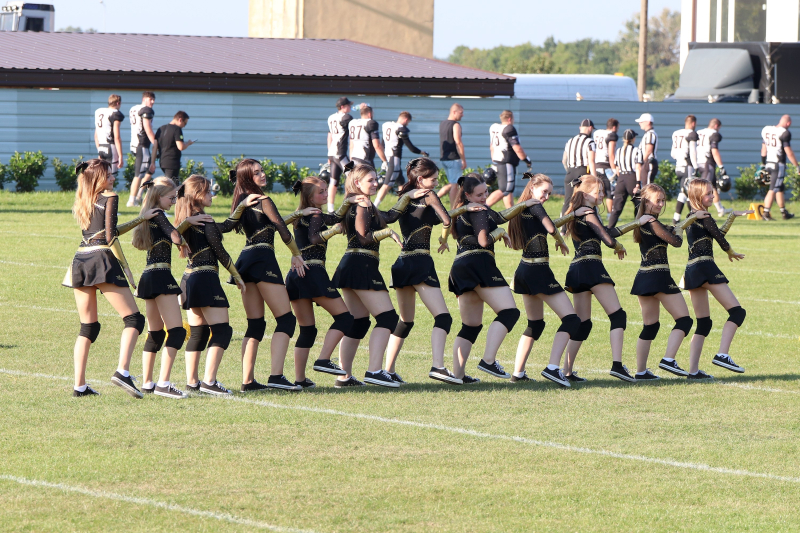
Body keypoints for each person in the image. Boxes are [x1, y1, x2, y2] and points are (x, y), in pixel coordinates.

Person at [64, 159, 153, 397]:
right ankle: (122, 372)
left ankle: (79, 387)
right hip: (101, 259)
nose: (114, 178)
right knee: (134, 319)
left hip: (80, 260)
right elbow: (110, 237)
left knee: (88, 327)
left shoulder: (84, 198)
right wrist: (127, 269)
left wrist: (141, 218)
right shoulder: (110, 197)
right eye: (109, 175)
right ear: (99, 179)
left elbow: (106, 230)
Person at [383, 158, 466, 384]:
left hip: (402, 264)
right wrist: (444, 239)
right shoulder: (429, 195)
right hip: (420, 263)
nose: (436, 184)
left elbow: (390, 217)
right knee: (443, 318)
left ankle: (387, 371)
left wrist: (463, 209)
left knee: (405, 321)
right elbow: (446, 219)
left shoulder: (404, 196)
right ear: (420, 179)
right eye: (433, 179)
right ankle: (438, 367)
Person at [228, 159, 308, 391]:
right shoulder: (263, 200)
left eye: (262, 171)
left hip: (245, 261)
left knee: (255, 325)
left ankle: (248, 381)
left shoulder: (242, 201)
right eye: (256, 173)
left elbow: (270, 224)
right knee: (286, 320)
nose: (262, 175)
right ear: (246, 178)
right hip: (263, 259)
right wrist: (296, 254)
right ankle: (276, 376)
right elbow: (281, 228)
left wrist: (297, 213)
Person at [330, 163, 412, 388]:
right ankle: (375, 371)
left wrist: (407, 196)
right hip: (361, 264)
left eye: (377, 179)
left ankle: (344, 376)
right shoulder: (362, 204)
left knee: (359, 322)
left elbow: (388, 215)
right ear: (357, 183)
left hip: (352, 264)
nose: (376, 183)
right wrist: (388, 233)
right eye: (371, 180)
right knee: (388, 318)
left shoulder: (359, 202)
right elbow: (363, 237)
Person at [447, 174, 533, 383]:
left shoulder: (465, 209)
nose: (484, 197)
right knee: (509, 313)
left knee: (471, 326)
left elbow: (499, 216)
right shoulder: (479, 210)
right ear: (467, 195)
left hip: (460, 268)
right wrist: (500, 233)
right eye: (479, 194)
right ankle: (488, 360)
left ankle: (458, 375)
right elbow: (484, 241)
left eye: (486, 192)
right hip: (479, 265)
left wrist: (524, 204)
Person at [131, 177, 212, 398]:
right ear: (159, 197)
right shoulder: (159, 214)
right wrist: (184, 237)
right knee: (176, 331)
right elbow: (175, 237)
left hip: (148, 275)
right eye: (171, 197)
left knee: (155, 333)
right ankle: (164, 384)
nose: (174, 201)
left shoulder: (150, 215)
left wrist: (186, 223)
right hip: (161, 276)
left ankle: (148, 382)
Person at [507, 173, 584, 386]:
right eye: (544, 192)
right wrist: (560, 240)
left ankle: (518, 373)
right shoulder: (535, 205)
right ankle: (552, 368)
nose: (547, 197)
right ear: (532, 188)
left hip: (524, 270)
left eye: (549, 193)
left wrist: (571, 215)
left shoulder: (525, 207)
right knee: (571, 320)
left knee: (535, 324)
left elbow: (548, 224)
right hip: (537, 271)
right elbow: (550, 227)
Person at [175, 175, 246, 396]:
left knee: (198, 333)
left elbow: (224, 226)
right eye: (207, 192)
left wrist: (241, 206)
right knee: (222, 331)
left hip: (188, 280)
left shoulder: (189, 219)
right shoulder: (203, 220)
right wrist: (237, 276)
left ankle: (192, 382)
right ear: (197, 195)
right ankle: (209, 382)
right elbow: (221, 253)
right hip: (205, 279)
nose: (211, 195)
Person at [285, 177, 359, 388]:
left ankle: (300, 380)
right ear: (310, 197)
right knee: (345, 318)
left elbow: (333, 216)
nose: (326, 195)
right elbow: (315, 238)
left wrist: (347, 202)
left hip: (295, 275)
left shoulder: (302, 214)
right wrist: (335, 230)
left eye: (327, 190)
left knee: (307, 330)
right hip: (313, 272)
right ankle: (324, 359)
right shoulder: (315, 214)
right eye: (321, 192)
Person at [562, 174, 637, 383]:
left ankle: (566, 371)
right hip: (591, 267)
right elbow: (608, 239)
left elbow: (606, 231)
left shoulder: (580, 211)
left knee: (583, 324)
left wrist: (635, 224)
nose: (603, 194)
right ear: (586, 194)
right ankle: (617, 366)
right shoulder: (588, 212)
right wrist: (618, 245)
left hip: (577, 269)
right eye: (599, 191)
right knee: (618, 316)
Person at [682, 179, 752, 379]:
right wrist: (730, 251)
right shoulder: (704, 215)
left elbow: (715, 233)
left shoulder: (691, 216)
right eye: (708, 194)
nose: (712, 196)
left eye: (712, 193)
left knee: (703, 323)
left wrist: (732, 216)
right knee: (737, 312)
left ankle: (693, 371)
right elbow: (720, 239)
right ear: (697, 196)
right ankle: (722, 354)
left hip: (691, 270)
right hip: (705, 267)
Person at [629, 184, 694, 380]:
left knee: (650, 326)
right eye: (657, 200)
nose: (661, 204)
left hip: (643, 278)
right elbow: (676, 242)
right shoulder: (652, 222)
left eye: (663, 200)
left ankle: (641, 372)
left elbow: (665, 230)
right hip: (659, 277)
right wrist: (681, 228)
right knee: (684, 320)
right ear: (647, 201)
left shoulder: (643, 220)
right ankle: (668, 359)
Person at [374, 111, 428, 206]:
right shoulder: (400, 129)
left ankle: (401, 206)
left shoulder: (387, 125)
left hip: (388, 156)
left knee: (401, 183)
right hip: (394, 158)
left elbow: (382, 143)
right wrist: (421, 152)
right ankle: (374, 206)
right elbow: (411, 147)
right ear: (406, 119)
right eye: (408, 122)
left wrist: (384, 160)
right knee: (387, 184)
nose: (407, 124)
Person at [486, 110, 532, 209]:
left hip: (498, 161)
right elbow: (517, 148)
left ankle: (511, 212)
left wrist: (494, 159)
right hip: (506, 162)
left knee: (508, 190)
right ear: (510, 119)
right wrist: (527, 160)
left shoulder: (495, 127)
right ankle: (481, 208)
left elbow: (491, 146)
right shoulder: (509, 128)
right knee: (505, 189)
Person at [760, 115, 796, 221]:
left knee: (779, 187)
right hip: (778, 164)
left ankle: (784, 212)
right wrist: (797, 166)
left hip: (769, 162)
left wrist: (763, 164)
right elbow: (788, 152)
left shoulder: (767, 130)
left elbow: (763, 149)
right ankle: (766, 213)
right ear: (788, 123)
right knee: (773, 188)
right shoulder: (784, 133)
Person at [127, 91, 157, 207]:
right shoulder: (146, 110)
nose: (152, 102)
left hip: (135, 143)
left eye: (153, 100)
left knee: (150, 170)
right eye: (150, 99)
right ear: (144, 99)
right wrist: (156, 144)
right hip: (142, 144)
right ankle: (131, 200)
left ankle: (139, 196)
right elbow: (147, 129)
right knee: (138, 174)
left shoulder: (134, 108)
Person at [561, 119, 596, 216]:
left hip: (570, 172)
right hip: (583, 172)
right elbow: (591, 162)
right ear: (590, 128)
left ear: (580, 128)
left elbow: (564, 160)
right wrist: (595, 178)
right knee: (586, 200)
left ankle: (563, 224)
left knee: (568, 201)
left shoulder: (570, 141)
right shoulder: (590, 142)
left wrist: (570, 171)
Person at [697, 118, 731, 217]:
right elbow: (714, 151)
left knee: (712, 186)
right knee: (705, 187)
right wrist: (721, 166)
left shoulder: (699, 132)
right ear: (716, 126)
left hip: (698, 161)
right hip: (707, 162)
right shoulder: (714, 134)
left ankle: (720, 209)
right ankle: (699, 210)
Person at [609, 129, 642, 228]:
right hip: (632, 177)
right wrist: (638, 183)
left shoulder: (619, 150)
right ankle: (638, 228)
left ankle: (609, 229)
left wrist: (621, 179)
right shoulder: (637, 150)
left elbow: (617, 169)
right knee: (639, 205)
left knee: (617, 207)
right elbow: (638, 168)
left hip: (621, 179)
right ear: (633, 138)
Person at [326, 97, 354, 212]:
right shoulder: (346, 117)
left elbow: (329, 136)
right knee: (353, 177)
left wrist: (329, 154)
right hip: (340, 153)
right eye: (348, 105)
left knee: (333, 181)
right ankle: (348, 206)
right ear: (342, 107)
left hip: (332, 152)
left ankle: (330, 209)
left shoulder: (331, 117)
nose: (350, 107)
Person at [437, 103, 467, 207]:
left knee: (451, 183)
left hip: (444, 158)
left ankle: (431, 200)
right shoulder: (455, 125)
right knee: (455, 185)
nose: (462, 115)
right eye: (461, 112)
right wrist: (463, 160)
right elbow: (458, 142)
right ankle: (453, 209)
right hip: (453, 159)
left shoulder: (442, 124)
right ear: (454, 112)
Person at [671, 115, 699, 224]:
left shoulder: (676, 133)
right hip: (687, 166)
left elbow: (673, 154)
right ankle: (682, 217)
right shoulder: (691, 133)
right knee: (687, 191)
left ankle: (684, 217)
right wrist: (695, 166)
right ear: (693, 123)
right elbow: (693, 152)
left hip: (678, 166)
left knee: (685, 192)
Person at [154, 111, 194, 180]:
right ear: (180, 120)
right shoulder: (177, 129)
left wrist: (152, 162)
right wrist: (188, 143)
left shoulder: (161, 129)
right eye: (185, 123)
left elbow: (155, 147)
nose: (184, 126)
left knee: (169, 182)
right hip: (172, 162)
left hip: (162, 161)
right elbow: (181, 147)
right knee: (172, 184)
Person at [592, 118, 619, 216]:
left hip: (596, 164)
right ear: (614, 127)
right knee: (610, 191)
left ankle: (595, 211)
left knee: (597, 190)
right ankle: (609, 214)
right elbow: (611, 154)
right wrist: (614, 169)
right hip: (606, 166)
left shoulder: (597, 133)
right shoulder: (612, 135)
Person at [349, 104, 387, 173]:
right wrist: (384, 160)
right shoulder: (370, 123)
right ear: (369, 114)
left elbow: (351, 145)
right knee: (372, 179)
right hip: (365, 160)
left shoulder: (353, 123)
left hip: (354, 158)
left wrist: (351, 160)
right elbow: (377, 145)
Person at [94, 95, 124, 178]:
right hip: (111, 147)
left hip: (101, 146)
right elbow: (117, 137)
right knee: (111, 177)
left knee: (102, 177)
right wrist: (120, 156)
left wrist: (99, 149)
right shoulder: (115, 114)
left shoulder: (99, 111)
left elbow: (96, 135)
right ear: (118, 103)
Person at [635, 113, 659, 187]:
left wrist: (642, 162)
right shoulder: (647, 134)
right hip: (647, 162)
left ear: (648, 122)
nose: (640, 123)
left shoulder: (650, 134)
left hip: (649, 162)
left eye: (642, 122)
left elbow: (649, 150)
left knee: (647, 186)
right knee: (645, 184)